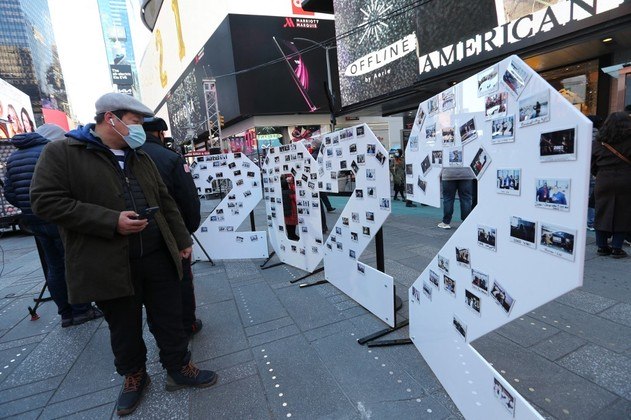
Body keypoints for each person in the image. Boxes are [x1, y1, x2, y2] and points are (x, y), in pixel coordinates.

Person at [30, 93, 217, 416]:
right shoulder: (63, 152)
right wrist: (110, 220)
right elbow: (45, 201)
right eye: (134, 122)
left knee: (170, 316)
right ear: (109, 118)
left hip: (157, 254)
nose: (139, 129)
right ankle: (134, 376)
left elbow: (164, 199)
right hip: (107, 262)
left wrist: (181, 238)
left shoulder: (139, 155)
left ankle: (179, 367)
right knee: (123, 326)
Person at [3, 124, 102, 327]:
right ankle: (81, 309)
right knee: (73, 262)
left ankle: (66, 313)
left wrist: (28, 207)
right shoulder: (52, 152)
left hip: (33, 219)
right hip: (59, 217)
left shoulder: (14, 157)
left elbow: (10, 193)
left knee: (54, 266)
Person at [142, 117, 203, 337]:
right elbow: (188, 198)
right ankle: (187, 324)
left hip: (142, 234)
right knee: (182, 280)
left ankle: (157, 326)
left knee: (153, 286)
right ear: (160, 133)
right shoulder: (170, 158)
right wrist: (188, 230)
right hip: (172, 230)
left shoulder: (130, 155)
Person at [591, 112, 631, 258]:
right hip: (626, 179)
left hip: (603, 179)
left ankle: (602, 246)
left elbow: (592, 164)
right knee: (624, 213)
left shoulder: (599, 141)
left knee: (601, 211)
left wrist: (600, 173)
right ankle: (616, 248)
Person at [586, 115, 603, 230]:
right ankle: (590, 221)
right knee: (592, 198)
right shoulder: (599, 137)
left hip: (583, 170)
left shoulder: (582, 132)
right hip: (594, 172)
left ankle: (588, 221)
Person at [281, 175, 299, 240]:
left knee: (289, 223)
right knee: (292, 223)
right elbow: (295, 198)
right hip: (291, 209)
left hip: (287, 210)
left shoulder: (282, 192)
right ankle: (292, 235)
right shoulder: (290, 191)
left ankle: (290, 235)